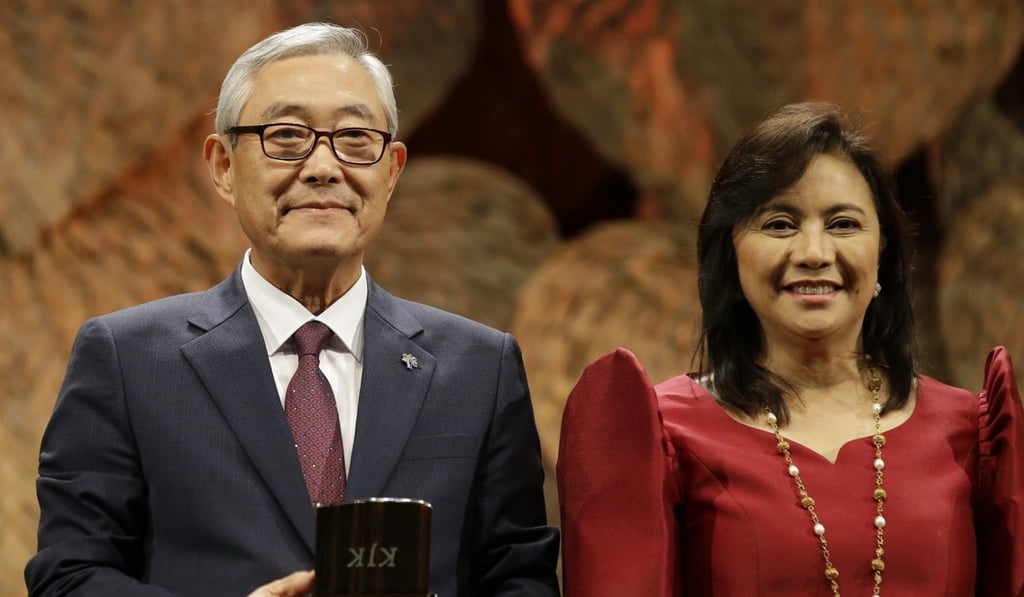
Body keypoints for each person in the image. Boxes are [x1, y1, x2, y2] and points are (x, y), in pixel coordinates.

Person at [25, 22, 559, 597]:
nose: (324, 166)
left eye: (355, 138)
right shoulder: (128, 359)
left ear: (392, 170)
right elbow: (69, 577)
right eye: (286, 136)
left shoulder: (481, 368)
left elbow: (519, 579)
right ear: (223, 166)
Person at [556, 102, 1024, 595]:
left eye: (843, 224)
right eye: (780, 224)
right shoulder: (666, 435)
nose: (815, 253)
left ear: (882, 252)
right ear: (731, 253)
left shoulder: (969, 432)